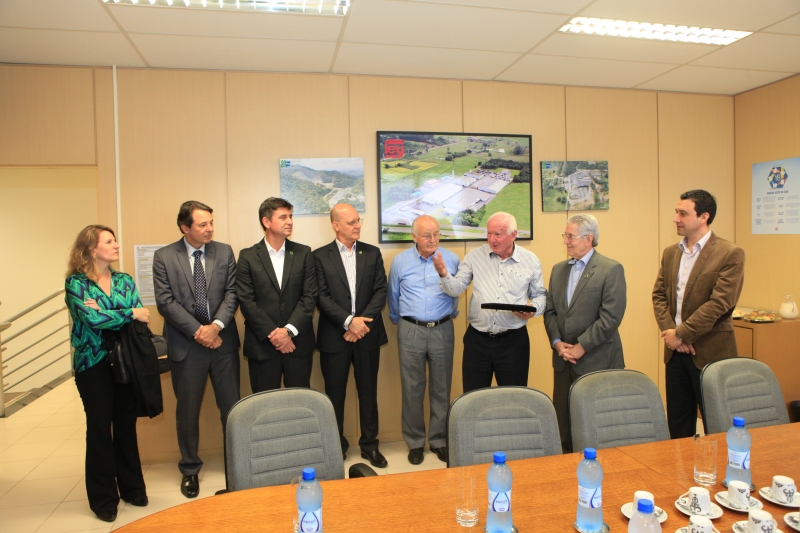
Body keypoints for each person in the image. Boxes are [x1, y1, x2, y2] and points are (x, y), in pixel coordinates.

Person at [153, 201, 240, 499]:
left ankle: (236, 466)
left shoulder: (224, 252)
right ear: (185, 227)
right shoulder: (164, 256)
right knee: (187, 413)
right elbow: (165, 302)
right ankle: (190, 469)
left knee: (231, 409)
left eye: (211, 223)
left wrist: (215, 326)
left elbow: (232, 294)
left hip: (223, 343)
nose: (209, 229)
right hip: (186, 346)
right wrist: (199, 331)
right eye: (203, 224)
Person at [65, 225, 149, 522]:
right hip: (92, 364)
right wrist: (126, 313)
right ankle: (103, 499)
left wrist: (105, 309)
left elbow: (142, 315)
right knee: (100, 428)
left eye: (115, 240)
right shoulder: (76, 283)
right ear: (91, 249)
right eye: (109, 241)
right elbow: (92, 319)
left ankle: (132, 489)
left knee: (126, 425)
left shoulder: (124, 280)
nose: (116, 245)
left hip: (125, 360)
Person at [652, 190, 745, 439]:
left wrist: (682, 334)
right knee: (678, 426)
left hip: (710, 352)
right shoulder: (671, 253)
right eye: (676, 212)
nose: (676, 218)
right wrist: (672, 334)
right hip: (675, 354)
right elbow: (659, 295)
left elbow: (720, 303)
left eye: (683, 213)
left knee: (718, 425)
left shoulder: (729, 253)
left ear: (704, 217)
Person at [433, 212, 546, 392]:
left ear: (513, 235)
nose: (492, 239)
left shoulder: (530, 260)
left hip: (513, 341)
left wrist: (533, 309)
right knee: (473, 398)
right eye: (489, 233)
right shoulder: (474, 256)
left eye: (498, 234)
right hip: (477, 341)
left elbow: (540, 295)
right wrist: (444, 274)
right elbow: (455, 289)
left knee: (514, 398)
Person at [314, 204, 389, 467]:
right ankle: (337, 446)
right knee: (334, 395)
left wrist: (360, 324)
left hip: (367, 334)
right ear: (336, 225)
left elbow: (380, 291)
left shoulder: (372, 252)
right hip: (335, 336)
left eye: (358, 221)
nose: (357, 226)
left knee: (368, 393)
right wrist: (348, 322)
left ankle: (370, 446)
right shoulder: (319, 256)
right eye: (351, 222)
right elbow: (321, 296)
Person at [543, 214, 626, 452]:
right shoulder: (558, 270)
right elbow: (550, 311)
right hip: (563, 362)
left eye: (570, 236)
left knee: (597, 428)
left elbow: (611, 318)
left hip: (597, 360)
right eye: (565, 236)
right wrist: (557, 343)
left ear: (588, 239)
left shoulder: (610, 269)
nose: (566, 241)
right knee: (564, 427)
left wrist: (581, 347)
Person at [388, 215, 459, 464]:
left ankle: (439, 440)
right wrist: (398, 319)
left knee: (442, 388)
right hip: (411, 329)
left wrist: (449, 316)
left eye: (437, 234)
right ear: (414, 237)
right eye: (427, 235)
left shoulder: (451, 259)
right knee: (411, 388)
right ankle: (415, 442)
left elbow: (455, 293)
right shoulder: (400, 261)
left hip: (442, 328)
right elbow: (393, 294)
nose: (433, 239)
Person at [236, 197, 317, 392]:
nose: (289, 221)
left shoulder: (303, 253)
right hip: (262, 346)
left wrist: (288, 331)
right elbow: (246, 301)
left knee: (299, 404)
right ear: (266, 221)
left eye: (290, 216)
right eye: (283, 217)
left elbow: (309, 296)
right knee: (264, 405)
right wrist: (274, 334)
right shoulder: (247, 256)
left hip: (297, 344)